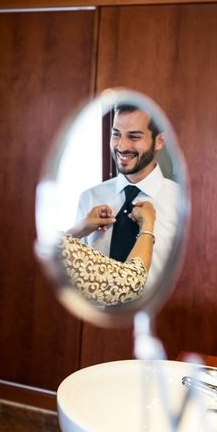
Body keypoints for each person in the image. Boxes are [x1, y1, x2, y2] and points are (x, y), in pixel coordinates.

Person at [75, 103, 180, 292]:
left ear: (159, 141)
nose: (121, 146)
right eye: (116, 134)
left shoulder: (181, 203)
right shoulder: (89, 198)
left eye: (134, 136)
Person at [63, 201, 156, 305]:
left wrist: (76, 231)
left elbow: (60, 255)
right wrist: (148, 223)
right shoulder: (88, 197)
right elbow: (133, 282)